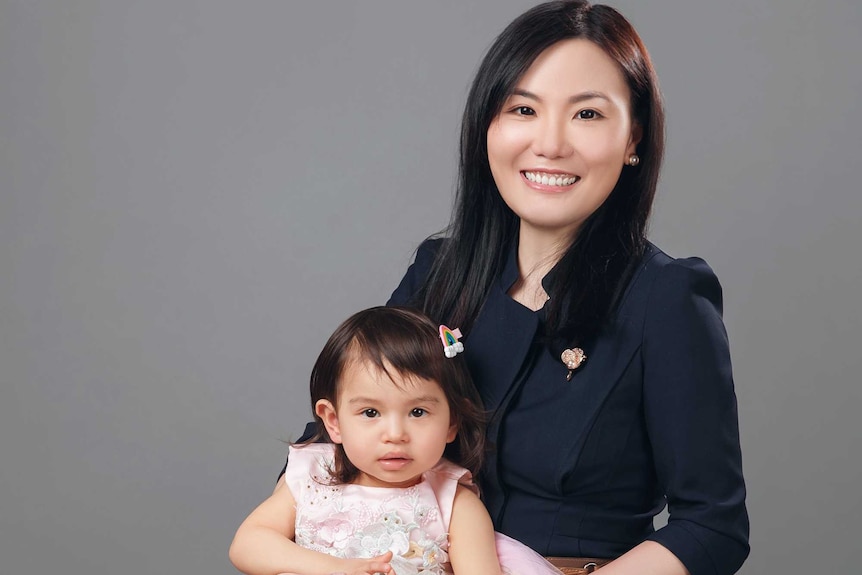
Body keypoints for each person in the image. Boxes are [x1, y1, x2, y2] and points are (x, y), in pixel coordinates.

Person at [382, 2, 750, 574]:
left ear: (634, 139)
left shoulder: (667, 297)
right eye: (523, 108)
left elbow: (713, 525)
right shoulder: (438, 271)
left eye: (587, 115)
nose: (550, 144)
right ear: (488, 126)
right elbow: (335, 440)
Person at [231, 306, 566, 575]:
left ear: (452, 423)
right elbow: (248, 544)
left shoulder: (454, 503)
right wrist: (335, 569)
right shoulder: (312, 477)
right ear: (333, 422)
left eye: (418, 412)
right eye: (370, 413)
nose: (395, 435)